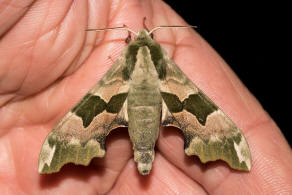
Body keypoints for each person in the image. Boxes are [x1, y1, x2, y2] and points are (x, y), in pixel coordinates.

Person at [0, 1, 291, 194]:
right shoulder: (167, 65)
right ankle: (223, 144)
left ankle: (225, 147)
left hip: (123, 102)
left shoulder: (120, 67)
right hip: (160, 103)